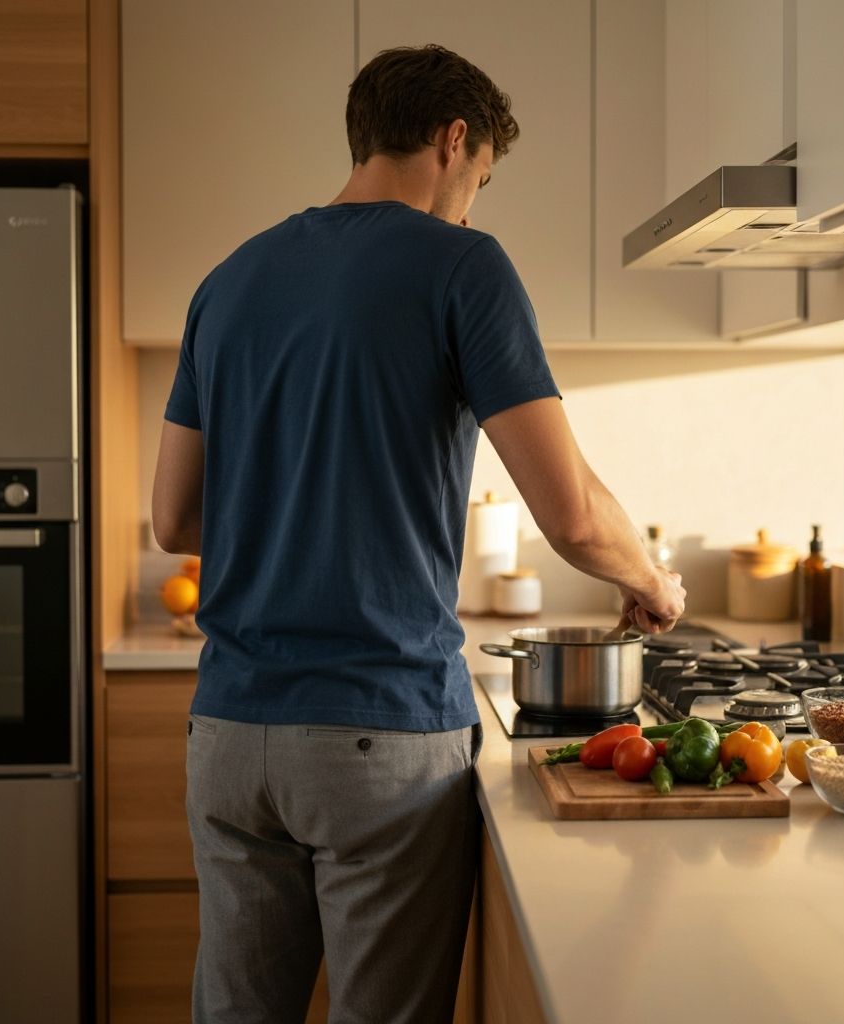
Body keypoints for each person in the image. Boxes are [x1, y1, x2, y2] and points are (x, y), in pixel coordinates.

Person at [152, 43, 685, 1024]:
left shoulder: (227, 281)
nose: (472, 206)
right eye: (478, 179)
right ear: (453, 141)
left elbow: (174, 518)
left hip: (228, 730)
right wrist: (651, 577)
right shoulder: (461, 266)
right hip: (377, 732)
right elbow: (566, 511)